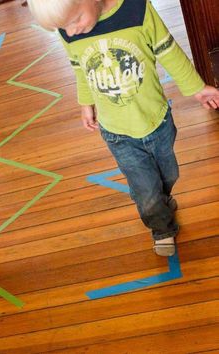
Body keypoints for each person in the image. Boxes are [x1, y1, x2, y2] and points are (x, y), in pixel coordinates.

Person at [27, 0, 219, 256]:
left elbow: (168, 51)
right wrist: (86, 103)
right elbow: (79, 68)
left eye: (75, 21)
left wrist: (197, 88)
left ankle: (159, 203)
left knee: (168, 175)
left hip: (157, 120)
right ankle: (161, 228)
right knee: (145, 189)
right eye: (63, 28)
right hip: (117, 133)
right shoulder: (69, 31)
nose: (70, 32)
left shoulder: (137, 10)